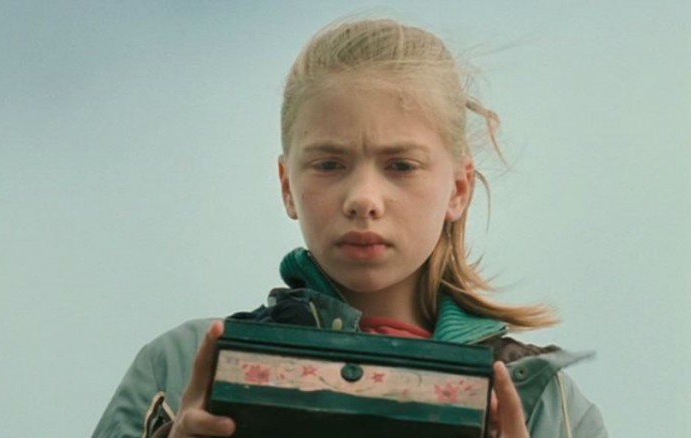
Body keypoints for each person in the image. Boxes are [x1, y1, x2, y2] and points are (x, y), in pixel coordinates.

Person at [92, 18, 607, 438]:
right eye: (329, 164)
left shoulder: (548, 406)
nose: (363, 199)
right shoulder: (182, 367)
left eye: (401, 165)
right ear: (287, 186)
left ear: (458, 188)